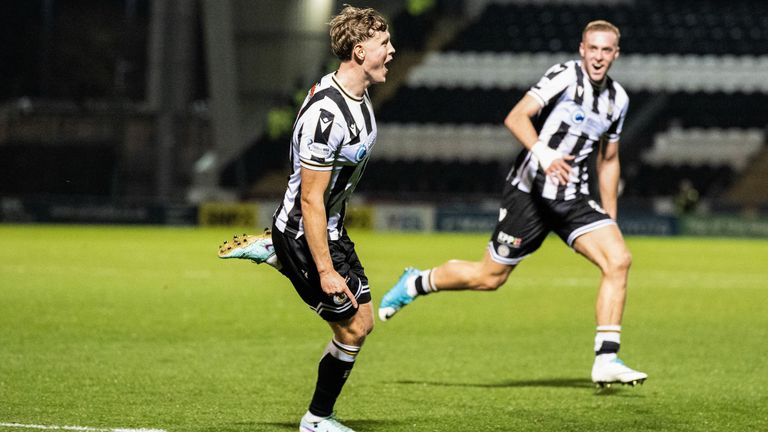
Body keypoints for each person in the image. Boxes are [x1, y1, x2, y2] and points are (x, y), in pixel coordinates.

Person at [378, 20, 647, 387]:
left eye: (607, 50)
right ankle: (417, 282)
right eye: (593, 49)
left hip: (572, 197)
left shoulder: (618, 100)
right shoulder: (564, 77)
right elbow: (516, 116)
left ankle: (606, 358)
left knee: (619, 260)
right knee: (489, 278)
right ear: (582, 49)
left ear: (616, 54)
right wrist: (545, 154)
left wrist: (610, 218)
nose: (599, 57)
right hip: (530, 194)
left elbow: (610, 159)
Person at [218, 5, 395, 431]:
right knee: (352, 329)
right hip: (305, 233)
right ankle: (317, 420)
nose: (392, 51)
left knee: (363, 322)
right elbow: (311, 201)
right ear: (358, 51)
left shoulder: (359, 96)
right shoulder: (327, 116)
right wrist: (325, 270)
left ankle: (275, 255)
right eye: (384, 44)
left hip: (332, 229)